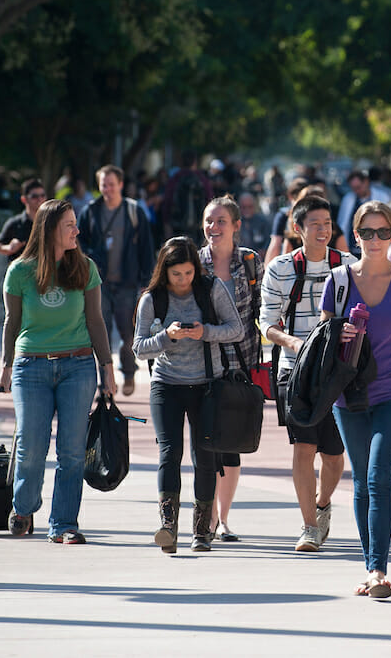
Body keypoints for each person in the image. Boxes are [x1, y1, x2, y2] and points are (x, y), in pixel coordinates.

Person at [321, 201, 391, 598]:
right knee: (362, 482)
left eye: (383, 232)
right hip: (348, 394)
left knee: (378, 475)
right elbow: (323, 339)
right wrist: (340, 334)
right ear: (355, 236)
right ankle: (371, 567)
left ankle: (378, 570)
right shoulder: (338, 280)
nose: (375, 240)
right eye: (367, 233)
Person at [0, 198, 116, 544]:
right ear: (49, 229)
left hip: (77, 366)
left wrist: (107, 368)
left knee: (72, 450)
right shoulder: (20, 271)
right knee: (32, 446)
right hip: (30, 367)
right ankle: (24, 507)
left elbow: (96, 321)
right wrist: (5, 367)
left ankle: (64, 524)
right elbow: (12, 322)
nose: (76, 230)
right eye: (69, 225)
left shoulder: (85, 267)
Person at [133, 237, 243, 554]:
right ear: (164, 273)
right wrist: (166, 337)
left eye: (188, 273)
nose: (183, 281)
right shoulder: (152, 299)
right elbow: (138, 348)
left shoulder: (211, 289)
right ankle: (168, 526)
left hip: (207, 384)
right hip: (166, 384)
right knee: (169, 452)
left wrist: (204, 332)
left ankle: (201, 531)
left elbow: (236, 329)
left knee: (204, 455)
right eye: (176, 275)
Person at [260, 195, 357, 552]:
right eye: (315, 224)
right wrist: (293, 343)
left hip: (336, 375)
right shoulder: (280, 268)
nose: (323, 230)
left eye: (327, 224)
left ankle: (321, 503)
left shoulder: (348, 266)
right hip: (294, 371)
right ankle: (309, 527)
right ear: (297, 229)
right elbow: (266, 323)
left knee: (333, 456)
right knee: (304, 447)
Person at [198, 196, 265, 542]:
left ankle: (223, 519)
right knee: (206, 441)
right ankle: (205, 519)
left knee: (233, 442)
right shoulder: (194, 263)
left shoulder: (251, 262)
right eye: (209, 220)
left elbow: (261, 310)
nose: (214, 227)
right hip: (202, 363)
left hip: (240, 361)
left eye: (221, 221)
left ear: (236, 226)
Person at [77, 165, 155, 396]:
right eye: (103, 185)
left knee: (128, 332)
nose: (107, 189)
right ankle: (106, 383)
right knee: (101, 334)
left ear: (121, 185)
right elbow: (79, 245)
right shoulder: (90, 212)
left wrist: (146, 281)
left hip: (127, 283)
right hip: (98, 284)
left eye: (111, 184)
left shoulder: (133, 211)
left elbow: (146, 248)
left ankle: (129, 371)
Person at [337, 169, 391, 256]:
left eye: (358, 187)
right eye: (353, 189)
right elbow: (342, 224)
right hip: (354, 250)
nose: (356, 191)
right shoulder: (348, 199)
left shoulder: (383, 197)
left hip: (376, 248)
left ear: (366, 182)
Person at [0, 179, 47, 261]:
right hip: (20, 272)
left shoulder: (50, 222)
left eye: (42, 195)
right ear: (24, 199)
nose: (40, 199)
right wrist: (9, 248)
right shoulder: (15, 223)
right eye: (34, 196)